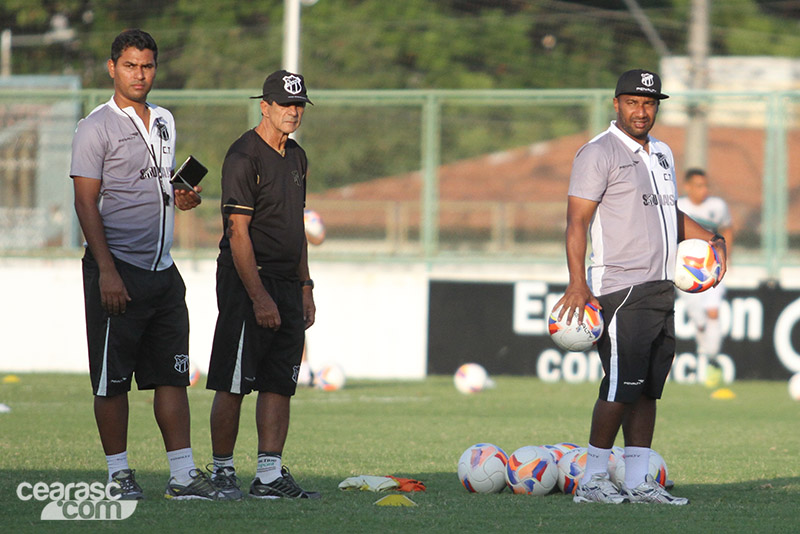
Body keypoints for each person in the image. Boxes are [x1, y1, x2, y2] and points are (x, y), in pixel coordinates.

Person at [557, 69, 727, 505]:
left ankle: (638, 480)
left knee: (649, 388)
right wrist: (578, 283)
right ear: (616, 104)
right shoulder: (598, 153)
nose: (641, 110)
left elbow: (668, 216)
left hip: (661, 286)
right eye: (632, 102)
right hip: (620, 286)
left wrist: (709, 236)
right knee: (619, 385)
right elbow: (578, 221)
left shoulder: (664, 153)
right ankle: (592, 480)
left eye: (649, 103)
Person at [71, 29, 229, 501]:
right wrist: (108, 271)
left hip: (164, 270)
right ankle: (118, 474)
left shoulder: (164, 119)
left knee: (171, 374)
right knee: (112, 378)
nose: (140, 74)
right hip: (116, 268)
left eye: (148, 66)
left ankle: (182, 476)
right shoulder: (94, 126)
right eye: (130, 65)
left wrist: (183, 196)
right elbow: (85, 202)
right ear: (112, 68)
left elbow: (163, 182)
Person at [206, 70, 320, 499]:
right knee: (233, 381)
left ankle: (268, 476)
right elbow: (237, 232)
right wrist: (259, 297)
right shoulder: (243, 156)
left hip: (289, 283)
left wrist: (305, 286)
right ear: (265, 106)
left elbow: (297, 226)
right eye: (285, 104)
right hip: (247, 281)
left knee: (279, 381)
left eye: (299, 106)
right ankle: (221, 471)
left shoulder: (297, 157)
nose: (293, 112)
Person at [677, 169, 733, 388]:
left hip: (712, 266)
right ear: (688, 187)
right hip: (685, 270)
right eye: (699, 186)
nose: (704, 191)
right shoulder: (679, 206)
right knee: (699, 320)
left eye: (706, 186)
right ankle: (705, 355)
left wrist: (725, 255)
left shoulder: (717, 207)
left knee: (713, 311)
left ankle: (713, 358)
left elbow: (727, 229)